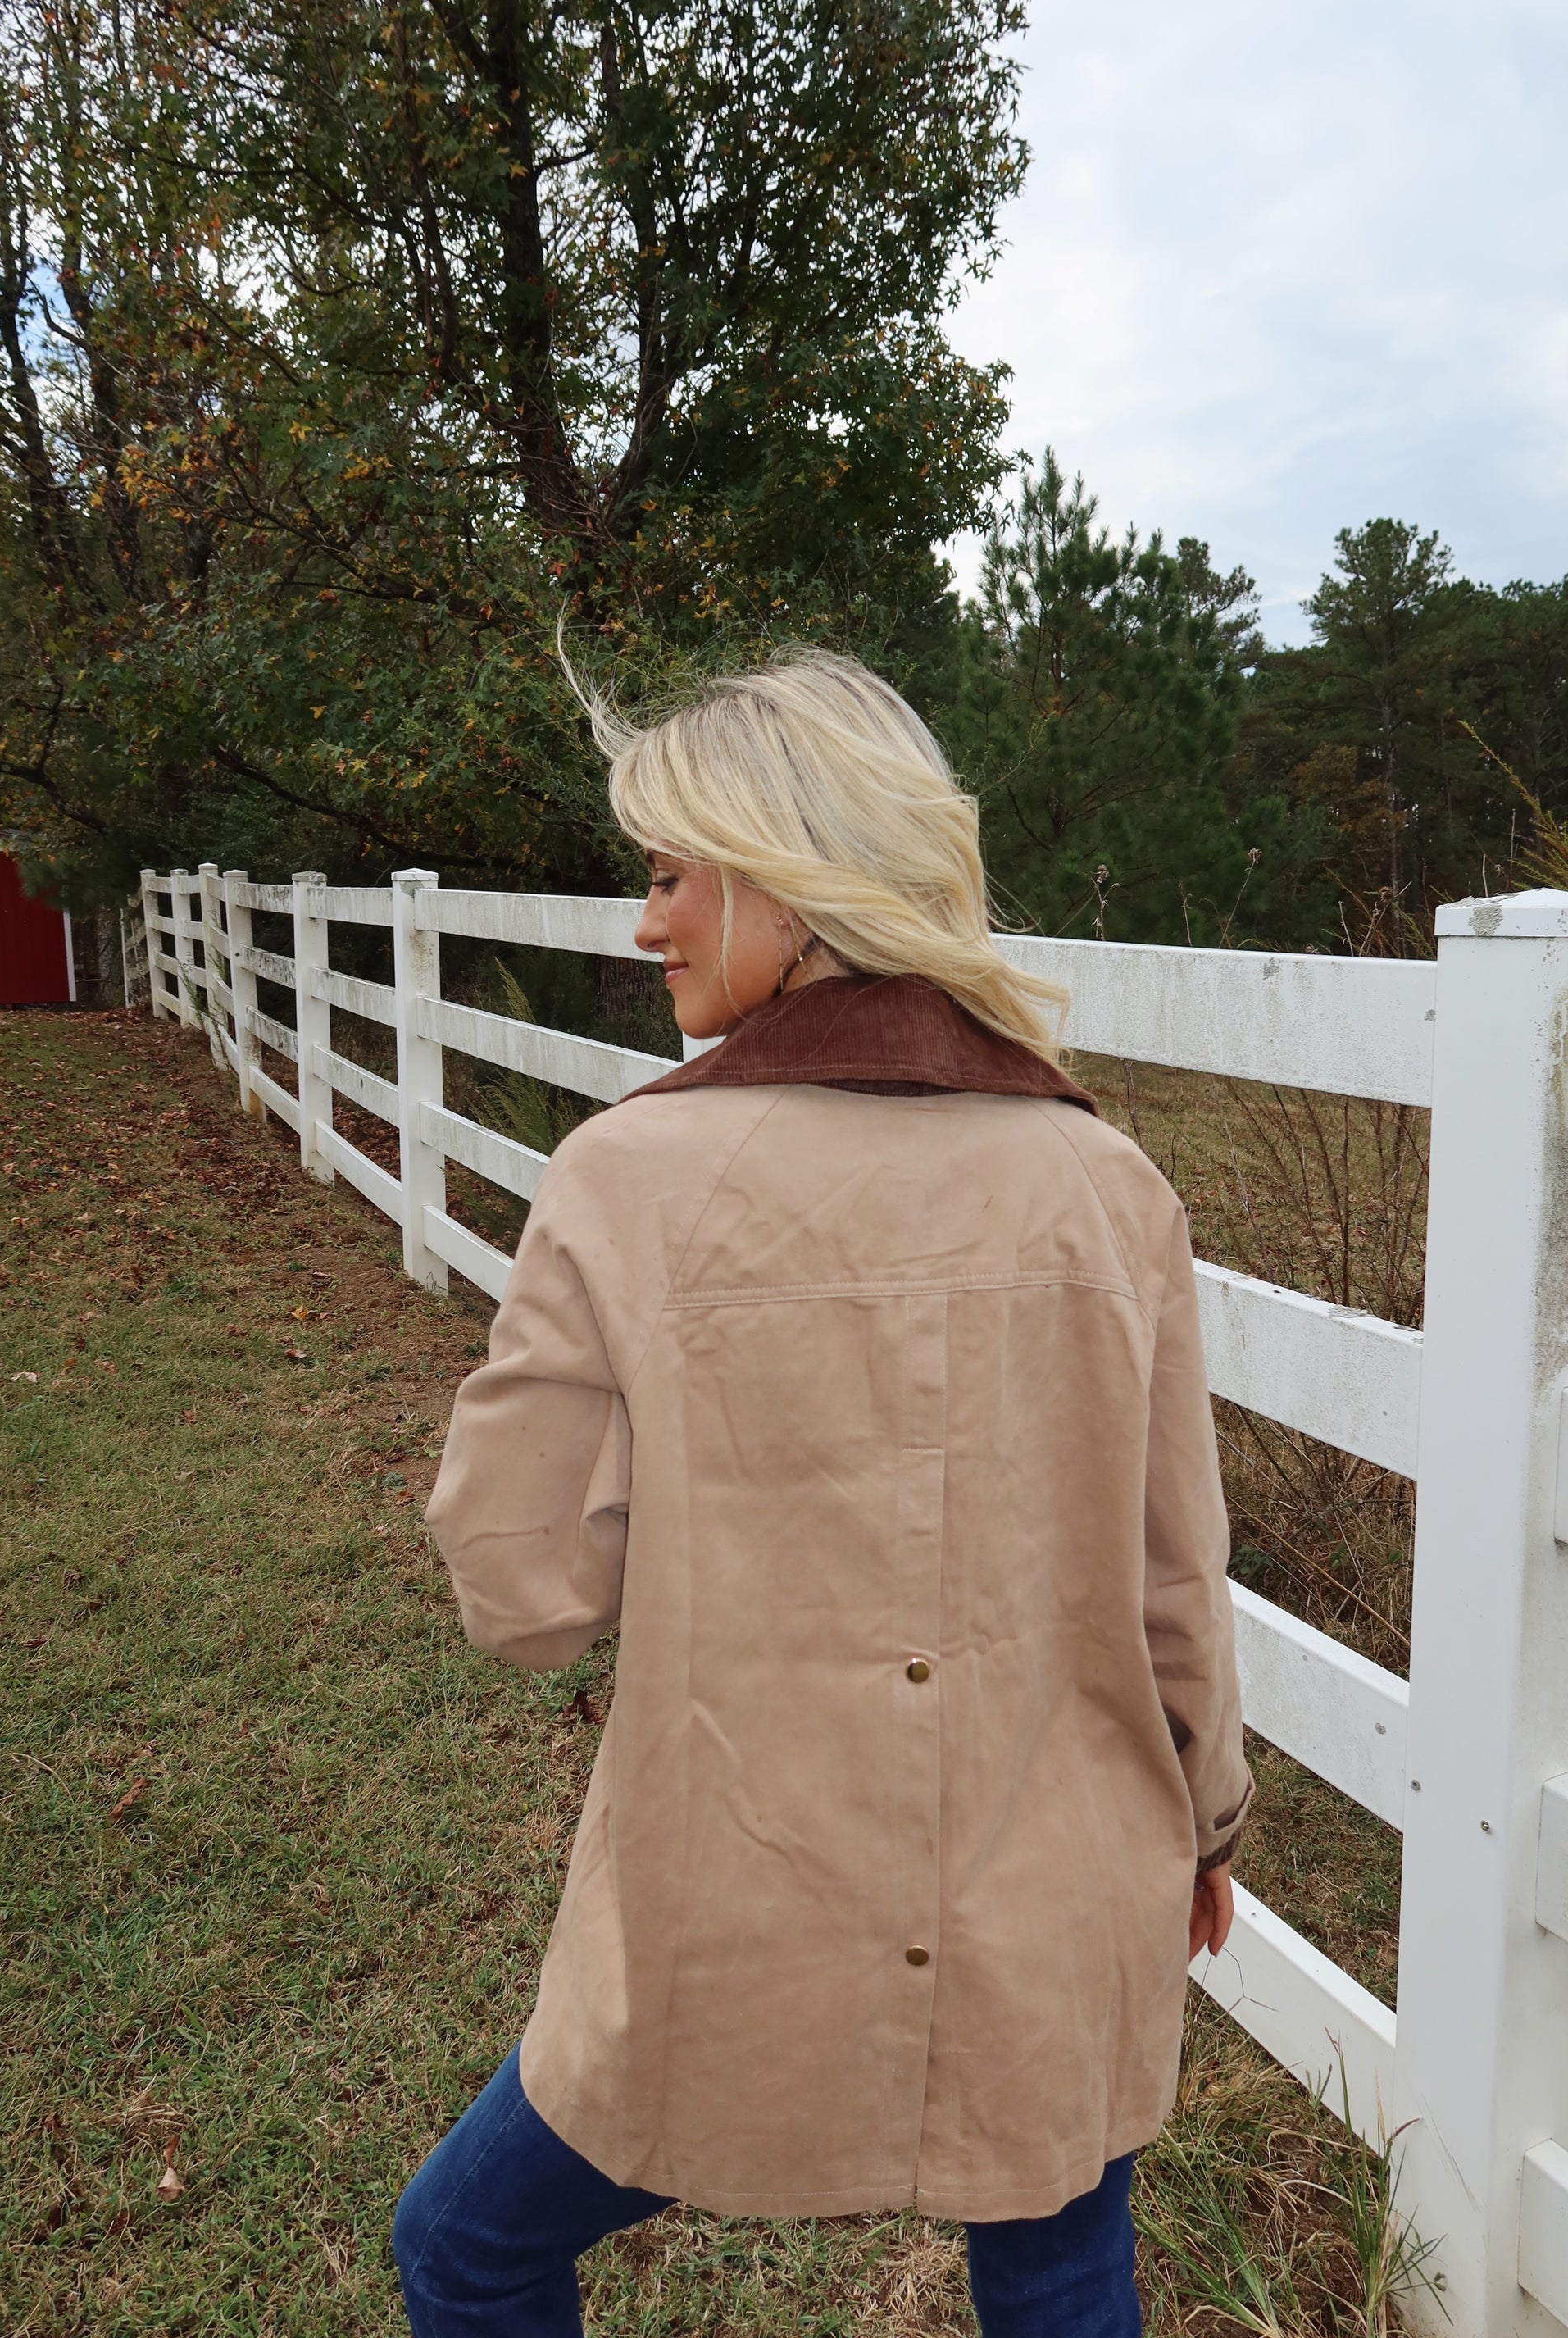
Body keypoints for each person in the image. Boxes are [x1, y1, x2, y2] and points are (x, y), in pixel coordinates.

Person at [394, 650, 1250, 2337]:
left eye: (665, 877)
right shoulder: (1105, 1181)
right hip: (1058, 1888)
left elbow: (523, 1592)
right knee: (1062, 2281)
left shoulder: (624, 1181)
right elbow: (1177, 1580)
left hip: (733, 1898)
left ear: (793, 884)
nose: (644, 927)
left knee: (469, 2245)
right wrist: (1206, 1820)